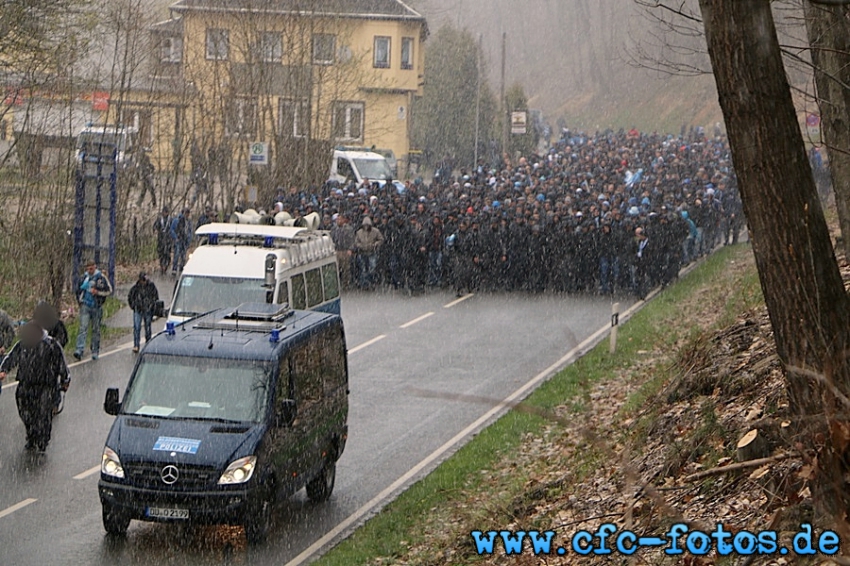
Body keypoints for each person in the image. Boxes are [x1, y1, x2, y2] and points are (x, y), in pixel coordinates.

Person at [0, 322, 70, 451]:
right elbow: (11, 357)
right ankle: (31, 436)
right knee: (25, 412)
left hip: (46, 386)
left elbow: (62, 364)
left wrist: (65, 380)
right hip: (25, 384)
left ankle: (43, 440)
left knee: (43, 414)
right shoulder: (22, 344)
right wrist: (3, 369)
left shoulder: (52, 345)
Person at [73, 260, 113, 361]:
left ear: (95, 267)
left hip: (96, 306)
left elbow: (109, 291)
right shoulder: (83, 278)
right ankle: (79, 349)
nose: (90, 270)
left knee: (96, 330)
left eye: (91, 268)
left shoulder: (101, 278)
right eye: (88, 268)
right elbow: (78, 290)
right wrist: (80, 301)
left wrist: (98, 293)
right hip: (85, 305)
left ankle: (95, 350)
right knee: (83, 328)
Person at [128, 272, 159, 353]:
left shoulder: (151, 286)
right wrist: (134, 306)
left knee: (148, 327)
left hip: (148, 310)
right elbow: (130, 297)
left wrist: (152, 306)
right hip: (138, 310)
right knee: (137, 327)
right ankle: (136, 345)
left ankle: (148, 343)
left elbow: (155, 297)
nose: (144, 282)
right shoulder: (135, 288)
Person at [354, 216, 384, 289]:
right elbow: (356, 242)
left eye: (367, 225)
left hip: (372, 252)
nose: (366, 226)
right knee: (363, 269)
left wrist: (375, 244)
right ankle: (364, 284)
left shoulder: (376, 231)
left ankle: (371, 283)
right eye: (365, 225)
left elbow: (381, 239)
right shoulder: (359, 232)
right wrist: (360, 246)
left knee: (372, 268)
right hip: (362, 253)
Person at [170, 208, 192, 275]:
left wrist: (189, 239)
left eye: (188, 214)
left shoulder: (188, 222)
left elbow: (189, 231)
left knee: (183, 255)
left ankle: (181, 267)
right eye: (186, 213)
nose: (187, 215)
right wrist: (175, 237)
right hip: (178, 239)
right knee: (177, 254)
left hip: (184, 240)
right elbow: (172, 229)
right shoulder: (177, 220)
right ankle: (174, 268)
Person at [153, 206, 172, 275]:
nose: (164, 213)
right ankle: (161, 266)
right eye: (164, 212)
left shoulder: (170, 220)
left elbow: (173, 228)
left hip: (168, 239)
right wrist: (155, 230)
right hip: (160, 239)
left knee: (167, 253)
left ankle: (166, 265)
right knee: (161, 253)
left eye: (166, 212)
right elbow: (155, 226)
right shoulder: (159, 219)